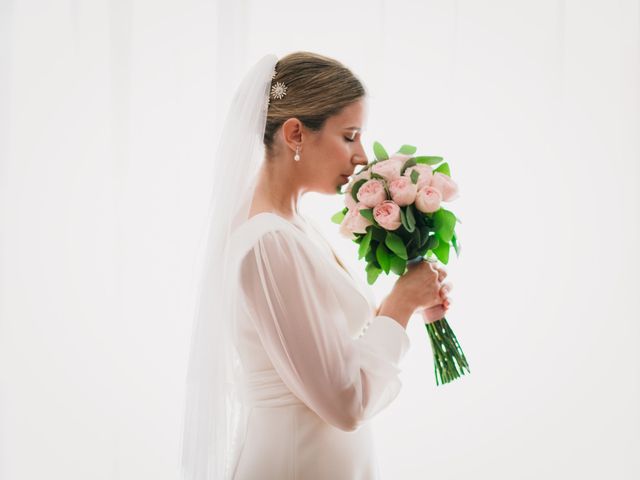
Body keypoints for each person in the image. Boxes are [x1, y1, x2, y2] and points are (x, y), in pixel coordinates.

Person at [180, 51, 452, 480]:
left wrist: (408, 303)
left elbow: (327, 353)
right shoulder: (269, 242)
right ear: (295, 134)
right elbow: (345, 402)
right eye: (349, 136)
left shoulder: (292, 226)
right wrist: (398, 306)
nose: (362, 156)